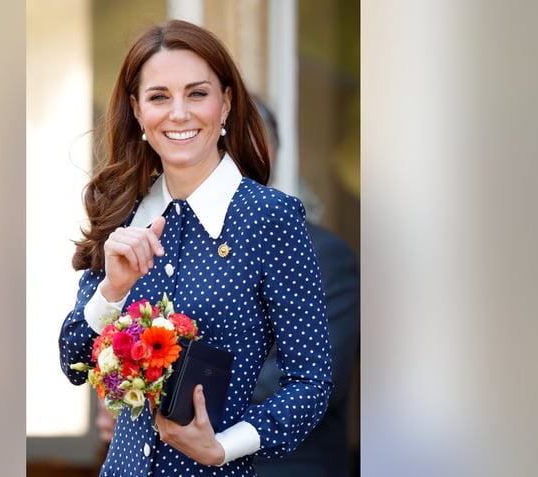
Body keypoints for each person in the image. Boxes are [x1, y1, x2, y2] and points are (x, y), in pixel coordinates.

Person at [58, 19, 332, 477]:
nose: (178, 113)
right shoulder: (122, 214)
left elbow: (311, 382)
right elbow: (74, 362)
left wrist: (222, 447)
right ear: (138, 110)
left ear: (225, 103)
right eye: (159, 96)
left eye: (197, 93)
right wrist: (112, 292)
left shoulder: (270, 218)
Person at [251, 96, 361, 477]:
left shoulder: (325, 256)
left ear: (266, 152)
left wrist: (175, 403)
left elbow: (312, 381)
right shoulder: (179, 251)